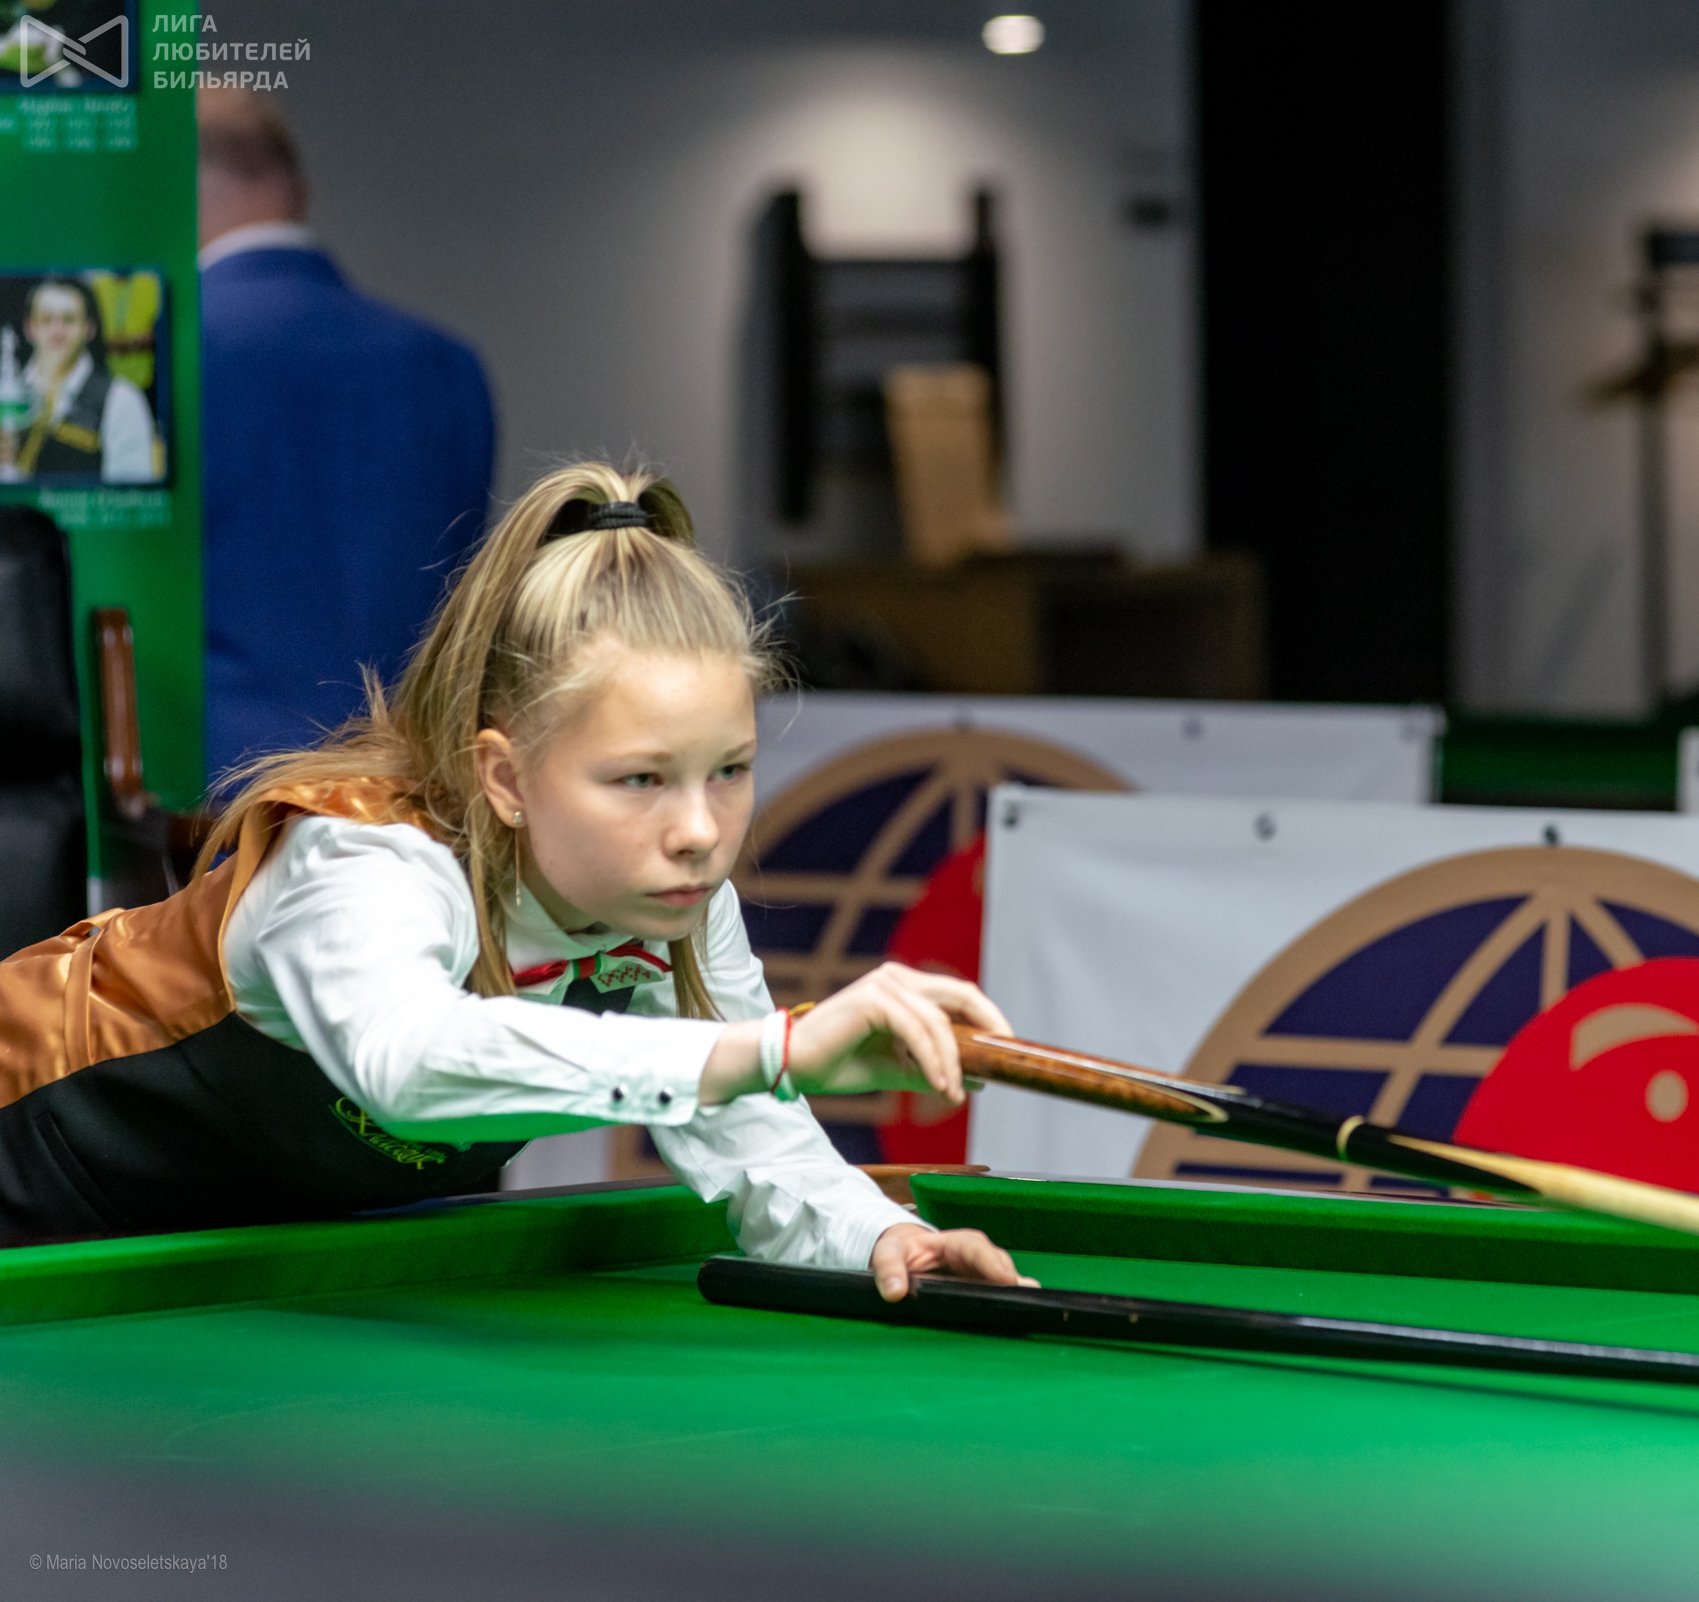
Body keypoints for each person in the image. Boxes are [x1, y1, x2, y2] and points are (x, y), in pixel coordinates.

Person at [0, 463, 1029, 1298]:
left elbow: (756, 1144)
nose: (699, 832)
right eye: (639, 780)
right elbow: (408, 1063)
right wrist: (778, 1048)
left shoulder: (668, 903)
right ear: (505, 776)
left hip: (189, 1269)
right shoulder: (361, 860)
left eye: (729, 770)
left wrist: (882, 1236)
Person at [199, 87, 497, 783]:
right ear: (297, 190)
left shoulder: (156, 356)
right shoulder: (446, 364)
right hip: (411, 781)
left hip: (212, 793)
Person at [9, 276, 161, 483]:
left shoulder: (121, 399)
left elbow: (131, 494)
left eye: (69, 320)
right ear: (29, 327)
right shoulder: (7, 394)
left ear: (89, 328)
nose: (57, 331)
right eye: (46, 319)